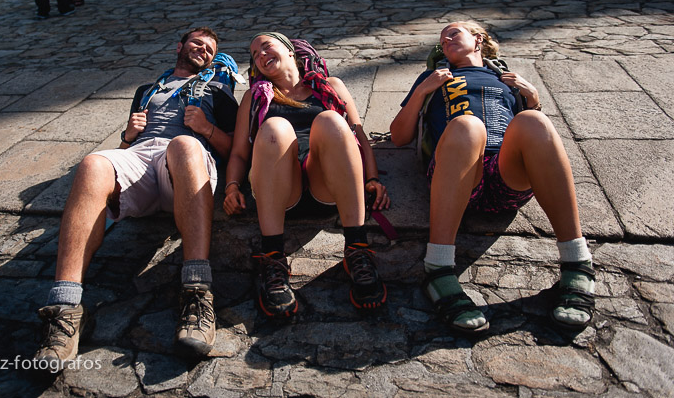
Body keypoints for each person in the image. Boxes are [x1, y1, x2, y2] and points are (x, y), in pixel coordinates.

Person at [33, 28, 238, 366]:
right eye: (196, 43)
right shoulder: (146, 91)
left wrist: (206, 129)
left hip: (184, 163)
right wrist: (127, 136)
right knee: (93, 163)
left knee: (184, 144)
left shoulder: (218, 90)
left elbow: (236, 151)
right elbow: (126, 151)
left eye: (210, 49)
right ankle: (65, 307)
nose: (202, 49)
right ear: (180, 47)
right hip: (141, 158)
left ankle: (197, 291)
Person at [390, 21, 596, 336]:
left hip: (506, 178)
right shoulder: (432, 79)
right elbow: (399, 136)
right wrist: (422, 90)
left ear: (479, 39)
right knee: (468, 125)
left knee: (533, 120)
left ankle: (577, 261)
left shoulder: (506, 80)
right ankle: (438, 267)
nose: (445, 39)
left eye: (453, 32)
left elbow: (534, 142)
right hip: (457, 176)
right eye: (442, 38)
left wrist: (533, 97)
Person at [223, 32, 390, 317]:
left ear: (291, 52)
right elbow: (239, 152)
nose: (260, 55)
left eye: (266, 47)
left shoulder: (330, 86)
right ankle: (274, 257)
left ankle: (357, 249)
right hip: (279, 187)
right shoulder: (254, 96)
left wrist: (372, 178)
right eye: (254, 55)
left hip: (325, 182)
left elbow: (358, 135)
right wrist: (231, 186)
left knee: (331, 120)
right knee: (275, 127)